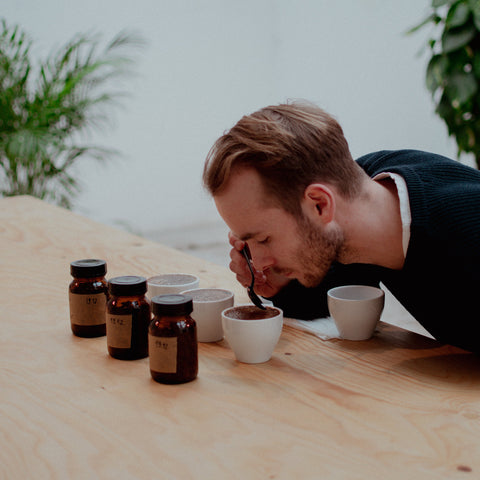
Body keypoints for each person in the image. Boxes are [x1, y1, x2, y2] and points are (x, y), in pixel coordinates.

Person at [202, 101, 480, 353]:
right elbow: (336, 289)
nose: (258, 262)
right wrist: (280, 282)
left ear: (320, 204)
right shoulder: (361, 196)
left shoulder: (466, 232)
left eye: (263, 239)